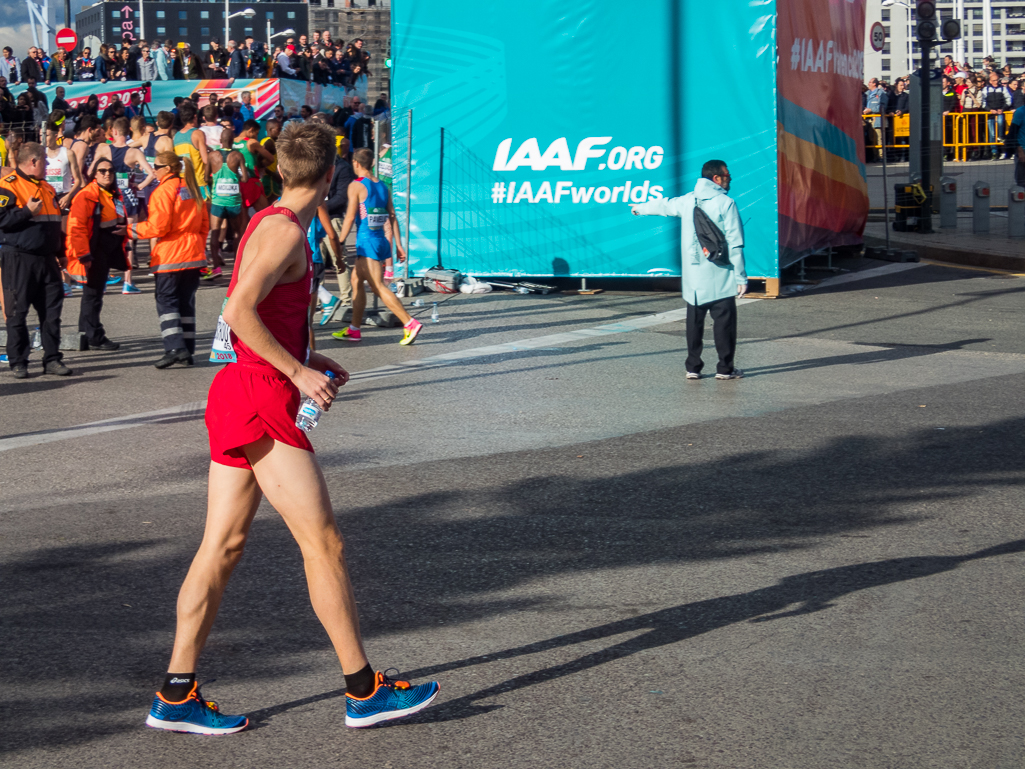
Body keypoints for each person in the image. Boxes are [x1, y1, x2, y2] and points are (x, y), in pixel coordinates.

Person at [145, 121, 439, 736]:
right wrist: (298, 370)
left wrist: (306, 352)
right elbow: (236, 311)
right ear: (330, 176)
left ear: (282, 170)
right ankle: (364, 690)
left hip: (239, 392)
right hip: (259, 399)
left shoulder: (268, 219)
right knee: (323, 543)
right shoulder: (283, 233)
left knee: (221, 548)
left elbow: (260, 316)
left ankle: (176, 693)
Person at [629, 159, 747, 380]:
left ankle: (693, 367)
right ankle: (725, 369)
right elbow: (735, 243)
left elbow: (665, 205)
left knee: (694, 323)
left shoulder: (687, 200)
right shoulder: (726, 203)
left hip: (693, 279)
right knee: (724, 324)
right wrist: (740, 276)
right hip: (720, 274)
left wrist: (639, 209)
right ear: (716, 178)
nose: (730, 179)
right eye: (727, 176)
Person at [330, 148, 420, 345]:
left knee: (377, 285)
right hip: (379, 240)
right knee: (355, 279)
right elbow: (393, 216)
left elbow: (351, 216)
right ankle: (354, 329)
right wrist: (399, 246)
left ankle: (409, 322)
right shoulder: (382, 186)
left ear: (356, 163)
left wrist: (340, 240)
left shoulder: (356, 185)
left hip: (367, 241)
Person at [131, 152, 209, 368]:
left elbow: (158, 227)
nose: (153, 169)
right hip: (194, 255)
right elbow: (204, 224)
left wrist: (131, 229)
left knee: (167, 301)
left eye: (156, 166)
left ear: (167, 168)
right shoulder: (192, 188)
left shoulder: (163, 191)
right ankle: (187, 349)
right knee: (186, 303)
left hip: (170, 256)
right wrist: (197, 244)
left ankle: (175, 348)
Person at [0, 142, 70, 378]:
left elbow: (54, 224)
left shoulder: (47, 188)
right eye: (44, 161)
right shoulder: (8, 186)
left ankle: (52, 358)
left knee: (52, 312)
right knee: (17, 312)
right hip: (20, 258)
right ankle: (18, 361)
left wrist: (61, 252)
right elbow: (3, 220)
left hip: (47, 259)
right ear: (33, 162)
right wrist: (26, 212)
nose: (47, 164)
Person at [65, 157, 128, 351]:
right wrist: (84, 255)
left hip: (106, 251)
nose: (107, 173)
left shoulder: (112, 194)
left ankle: (86, 334)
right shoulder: (87, 196)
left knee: (92, 295)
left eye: (110, 170)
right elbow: (76, 228)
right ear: (95, 174)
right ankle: (94, 336)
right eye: (102, 171)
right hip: (93, 252)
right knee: (92, 295)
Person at [89, 117, 156, 294]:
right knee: (129, 238)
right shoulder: (134, 152)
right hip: (128, 196)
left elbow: (90, 171)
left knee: (106, 236)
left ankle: (103, 279)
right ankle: (127, 282)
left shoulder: (104, 149)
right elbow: (151, 173)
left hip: (110, 197)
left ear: (114, 132)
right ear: (128, 132)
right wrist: (139, 186)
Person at [206, 149, 246, 278]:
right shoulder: (238, 155)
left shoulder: (212, 155)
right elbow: (245, 178)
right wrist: (235, 177)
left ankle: (216, 268)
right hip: (233, 201)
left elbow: (206, 177)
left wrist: (217, 180)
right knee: (237, 233)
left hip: (218, 200)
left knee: (215, 232)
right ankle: (237, 266)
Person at [173, 104, 210, 197]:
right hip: (198, 182)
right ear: (195, 116)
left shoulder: (176, 136)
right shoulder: (198, 133)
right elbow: (206, 160)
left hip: (183, 182)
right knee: (206, 210)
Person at [982, 71, 1012, 159]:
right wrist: (989, 109)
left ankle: (1001, 136)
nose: (996, 82)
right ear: (990, 81)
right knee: (991, 134)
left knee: (1000, 122)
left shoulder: (1003, 89)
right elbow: (982, 102)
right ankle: (994, 152)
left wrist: (1003, 109)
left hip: (1000, 112)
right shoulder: (986, 89)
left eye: (997, 80)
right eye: (994, 80)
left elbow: (1009, 99)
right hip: (990, 114)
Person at [1010, 102, 1025, 187]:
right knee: (1022, 183)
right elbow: (1013, 132)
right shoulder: (1020, 112)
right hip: (1023, 149)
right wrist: (1019, 150)